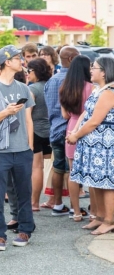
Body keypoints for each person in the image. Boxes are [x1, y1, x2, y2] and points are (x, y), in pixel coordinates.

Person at [0, 45, 35, 250]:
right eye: (18, 58)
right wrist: (6, 112)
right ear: (7, 62)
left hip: (22, 150)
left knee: (24, 192)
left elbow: (28, 120)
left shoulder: (24, 88)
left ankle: (25, 230)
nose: (22, 61)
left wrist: (30, 147)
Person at [68, 56, 114, 235]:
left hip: (104, 145)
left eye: (94, 68)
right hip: (93, 144)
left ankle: (110, 219)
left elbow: (95, 121)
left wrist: (76, 134)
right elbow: (86, 113)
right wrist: (75, 131)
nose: (91, 71)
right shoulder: (98, 90)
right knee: (96, 181)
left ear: (104, 72)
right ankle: (100, 216)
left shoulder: (109, 92)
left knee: (107, 182)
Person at [44, 46, 80, 215]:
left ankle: (57, 204)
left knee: (58, 168)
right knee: (74, 169)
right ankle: (75, 207)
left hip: (55, 128)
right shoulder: (76, 80)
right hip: (71, 131)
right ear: (72, 59)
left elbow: (48, 107)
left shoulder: (52, 80)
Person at [60, 55, 93, 221]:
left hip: (71, 127)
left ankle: (76, 211)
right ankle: (95, 210)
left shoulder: (64, 88)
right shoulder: (91, 87)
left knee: (73, 172)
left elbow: (64, 115)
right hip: (89, 129)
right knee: (93, 172)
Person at [26, 58, 53, 212]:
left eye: (29, 71)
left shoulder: (32, 89)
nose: (27, 74)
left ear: (35, 71)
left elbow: (27, 115)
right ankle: (54, 200)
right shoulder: (51, 86)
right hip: (50, 130)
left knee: (37, 167)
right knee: (53, 167)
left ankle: (34, 203)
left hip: (35, 131)